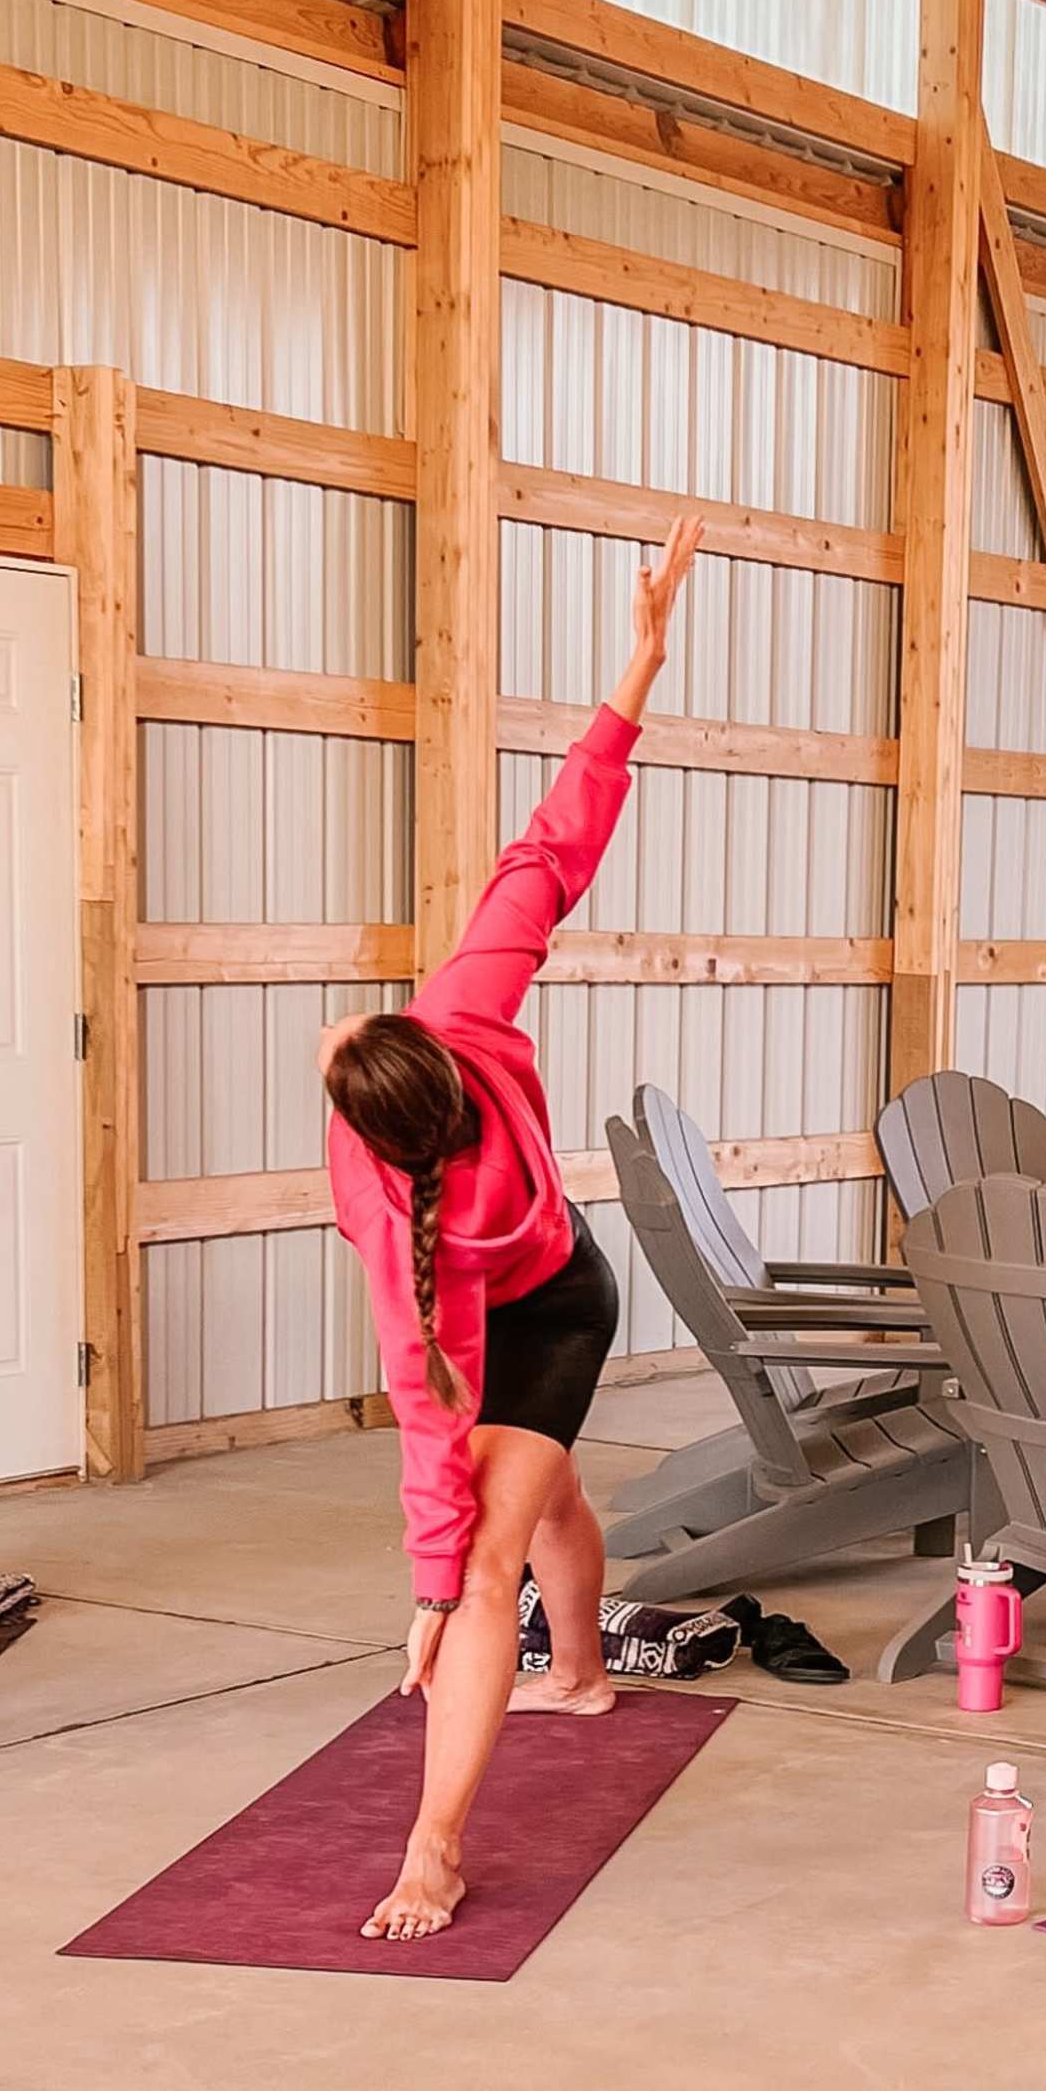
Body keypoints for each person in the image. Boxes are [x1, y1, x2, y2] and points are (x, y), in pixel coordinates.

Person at [323, 514, 696, 1943]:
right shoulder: (463, 1023)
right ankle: (584, 1673)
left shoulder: (393, 1205)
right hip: (547, 1288)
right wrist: (636, 675)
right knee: (539, 1501)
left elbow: (430, 1433)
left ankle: (435, 1848)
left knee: (489, 1566)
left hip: (550, 1303)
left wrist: (433, 1594)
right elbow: (550, 853)